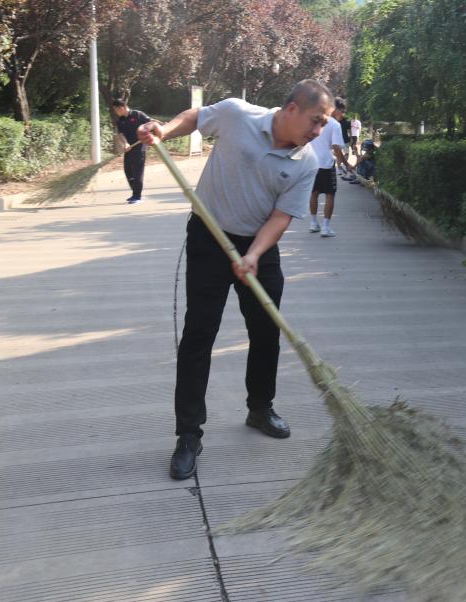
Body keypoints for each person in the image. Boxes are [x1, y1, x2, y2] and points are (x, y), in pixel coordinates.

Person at [136, 79, 333, 481]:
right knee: (199, 335)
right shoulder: (236, 114)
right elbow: (196, 118)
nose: (318, 131)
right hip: (209, 236)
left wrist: (254, 254)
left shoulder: (306, 161)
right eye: (315, 121)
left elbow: (281, 216)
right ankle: (188, 434)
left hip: (258, 243)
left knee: (266, 331)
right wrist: (164, 130)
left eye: (323, 124)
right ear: (291, 109)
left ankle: (260, 408)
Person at [308, 97, 349, 237]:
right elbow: (336, 147)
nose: (343, 114)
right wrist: (346, 164)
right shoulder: (334, 124)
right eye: (342, 111)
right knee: (330, 195)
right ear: (335, 109)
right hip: (326, 164)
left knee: (313, 193)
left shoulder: (314, 120)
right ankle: (325, 227)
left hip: (310, 163)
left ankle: (313, 223)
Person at [112, 99, 153, 203]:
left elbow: (151, 122)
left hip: (140, 146)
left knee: (137, 171)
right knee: (128, 170)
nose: (115, 112)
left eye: (116, 110)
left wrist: (161, 125)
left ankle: (137, 196)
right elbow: (121, 134)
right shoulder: (120, 120)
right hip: (129, 148)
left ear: (121, 108)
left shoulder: (138, 115)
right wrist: (125, 143)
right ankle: (135, 193)